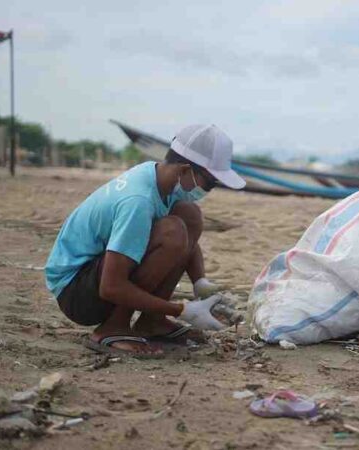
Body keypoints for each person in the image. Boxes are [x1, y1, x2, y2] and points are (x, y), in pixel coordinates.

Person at [45, 124, 246, 357]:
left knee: (189, 215)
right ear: (184, 170)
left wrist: (199, 281)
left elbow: (188, 241)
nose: (209, 190)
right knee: (173, 231)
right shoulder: (138, 201)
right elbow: (111, 286)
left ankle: (153, 321)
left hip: (95, 277)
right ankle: (112, 327)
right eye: (210, 183)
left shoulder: (159, 178)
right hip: (75, 292)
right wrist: (181, 310)